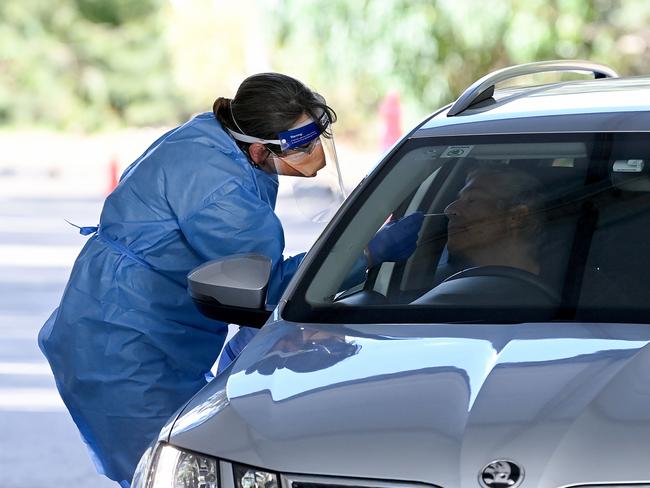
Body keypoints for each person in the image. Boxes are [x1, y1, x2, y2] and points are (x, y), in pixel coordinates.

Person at [38, 72, 420, 487]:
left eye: (316, 136)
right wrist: (366, 252)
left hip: (142, 328)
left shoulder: (217, 136)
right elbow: (269, 287)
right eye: (302, 144)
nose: (316, 154)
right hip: (122, 346)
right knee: (167, 475)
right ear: (258, 151)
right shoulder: (219, 188)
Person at [435, 164, 545, 281]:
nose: (449, 209)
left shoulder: (564, 294)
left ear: (516, 217)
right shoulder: (444, 283)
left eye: (472, 200)